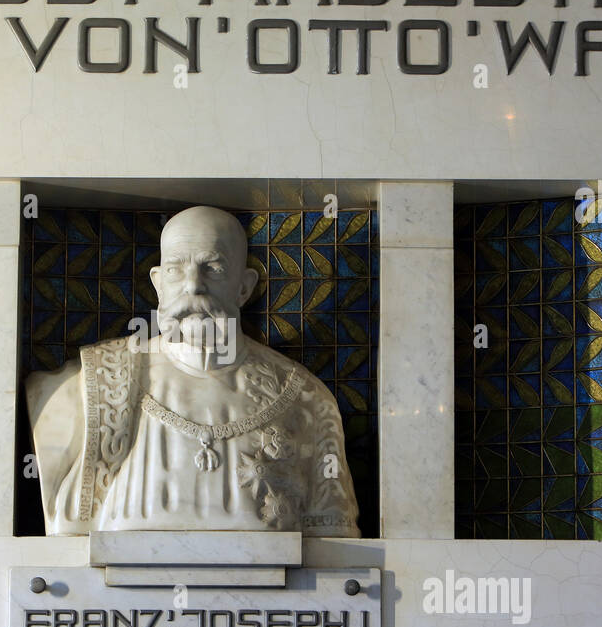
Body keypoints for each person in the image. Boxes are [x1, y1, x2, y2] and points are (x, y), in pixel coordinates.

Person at [25, 205, 359, 537]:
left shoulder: (306, 401)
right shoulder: (85, 386)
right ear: (158, 284)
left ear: (244, 286)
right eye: (175, 270)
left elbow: (336, 549)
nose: (193, 286)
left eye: (212, 267)